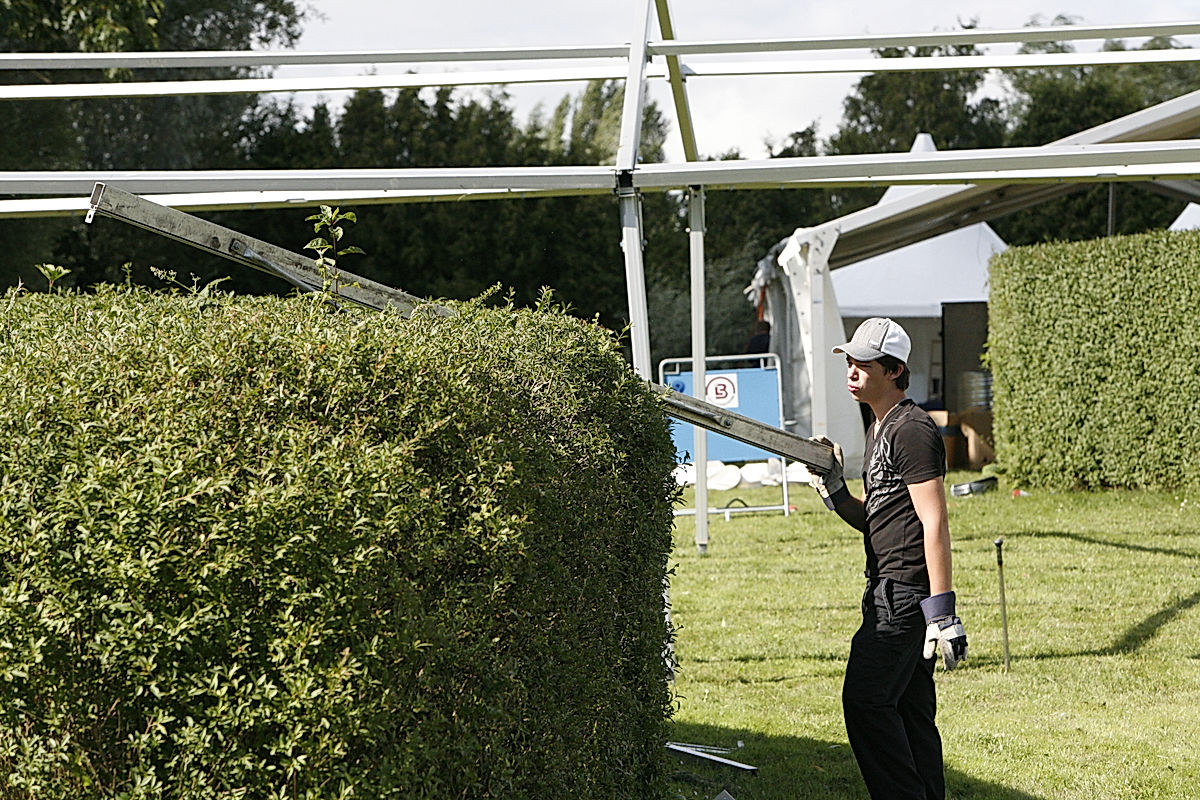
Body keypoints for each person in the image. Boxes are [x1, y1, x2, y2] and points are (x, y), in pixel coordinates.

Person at [808, 316, 967, 800]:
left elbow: (933, 520)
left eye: (864, 363)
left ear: (895, 369)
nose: (852, 370)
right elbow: (877, 519)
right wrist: (834, 488)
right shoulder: (881, 426)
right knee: (908, 711)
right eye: (850, 361)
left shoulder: (912, 430)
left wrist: (942, 611)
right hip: (888, 588)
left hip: (903, 596)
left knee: (866, 703)